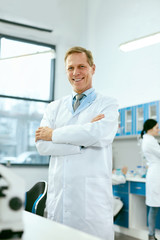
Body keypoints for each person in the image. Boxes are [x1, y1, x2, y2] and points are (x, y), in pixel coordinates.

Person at [35, 46, 119, 240]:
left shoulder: (108, 104)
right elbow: (42, 145)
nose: (76, 72)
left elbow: (99, 134)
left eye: (81, 66)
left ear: (92, 68)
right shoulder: (54, 107)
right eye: (71, 68)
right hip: (59, 202)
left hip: (91, 206)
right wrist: (83, 140)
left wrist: (54, 134)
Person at [140, 119, 160, 240]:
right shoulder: (149, 141)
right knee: (154, 207)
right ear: (150, 129)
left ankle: (151, 234)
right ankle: (151, 235)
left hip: (156, 174)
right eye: (157, 127)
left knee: (154, 207)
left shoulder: (150, 140)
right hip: (156, 176)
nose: (158, 130)